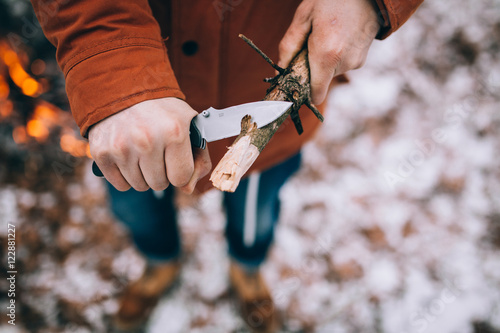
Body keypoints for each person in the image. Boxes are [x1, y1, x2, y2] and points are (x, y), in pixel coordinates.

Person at [30, 0, 423, 331]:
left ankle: (246, 270)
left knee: (256, 213)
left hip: (266, 124)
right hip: (135, 122)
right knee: (138, 205)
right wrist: (117, 73)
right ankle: (159, 263)